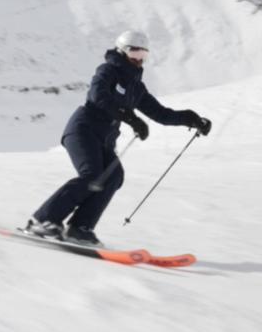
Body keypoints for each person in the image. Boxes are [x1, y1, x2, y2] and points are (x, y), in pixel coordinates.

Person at [25, 29, 211, 245]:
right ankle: (43, 220)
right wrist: (130, 118)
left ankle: (80, 228)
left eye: (143, 55)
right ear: (122, 51)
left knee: (113, 176)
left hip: (103, 139)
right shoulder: (107, 71)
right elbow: (99, 96)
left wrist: (193, 119)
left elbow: (161, 113)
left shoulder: (135, 87)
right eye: (134, 53)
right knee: (91, 175)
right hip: (83, 129)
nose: (139, 60)